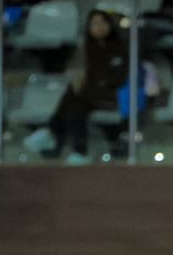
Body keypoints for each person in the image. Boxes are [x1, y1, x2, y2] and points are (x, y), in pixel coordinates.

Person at [22, 9, 130, 165]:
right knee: (75, 102)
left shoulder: (121, 48)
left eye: (102, 23)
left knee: (75, 97)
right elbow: (83, 75)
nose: (99, 27)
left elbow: (116, 78)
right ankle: (78, 150)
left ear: (110, 25)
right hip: (90, 96)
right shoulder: (87, 49)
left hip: (113, 95)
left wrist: (93, 83)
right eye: (94, 24)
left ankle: (52, 131)